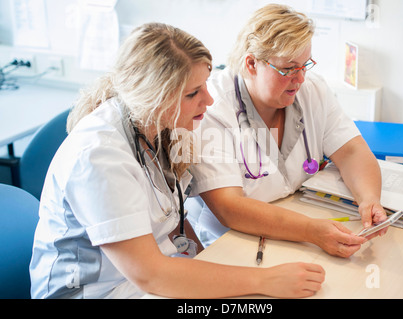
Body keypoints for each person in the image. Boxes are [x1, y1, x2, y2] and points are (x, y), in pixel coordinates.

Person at [29, 22, 325, 299]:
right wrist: (265, 280)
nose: (209, 101)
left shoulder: (168, 127)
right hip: (98, 290)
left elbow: (173, 216)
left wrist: (206, 259)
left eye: (206, 85)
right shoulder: (98, 157)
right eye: (193, 93)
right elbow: (151, 275)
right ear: (154, 97)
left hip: (151, 273)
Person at [186, 4, 387, 257]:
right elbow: (229, 207)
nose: (301, 78)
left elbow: (351, 151)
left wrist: (369, 199)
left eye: (306, 65)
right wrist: (313, 231)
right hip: (231, 242)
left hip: (295, 229)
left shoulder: (312, 90)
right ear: (251, 64)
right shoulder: (212, 108)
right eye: (289, 69)